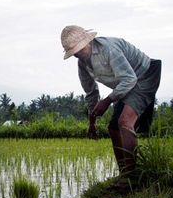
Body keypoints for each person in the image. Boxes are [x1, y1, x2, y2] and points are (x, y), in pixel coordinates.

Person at [60, 25, 161, 180]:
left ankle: (132, 178)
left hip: (144, 74)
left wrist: (107, 101)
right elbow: (91, 93)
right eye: (74, 53)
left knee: (125, 122)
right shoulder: (82, 63)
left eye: (79, 50)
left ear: (88, 42)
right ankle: (124, 175)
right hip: (126, 83)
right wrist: (92, 123)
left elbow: (130, 79)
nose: (78, 55)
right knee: (113, 128)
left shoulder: (109, 49)